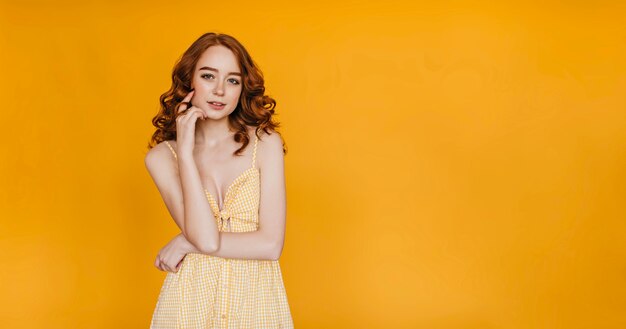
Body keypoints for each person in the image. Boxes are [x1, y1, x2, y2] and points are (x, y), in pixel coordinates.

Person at [144, 32, 294, 328]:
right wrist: (186, 154)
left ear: (242, 89)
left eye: (232, 80)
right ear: (190, 82)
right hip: (189, 304)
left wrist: (185, 243)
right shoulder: (163, 158)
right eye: (209, 76)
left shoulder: (265, 143)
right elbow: (206, 238)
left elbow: (270, 245)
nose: (220, 90)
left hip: (257, 302)